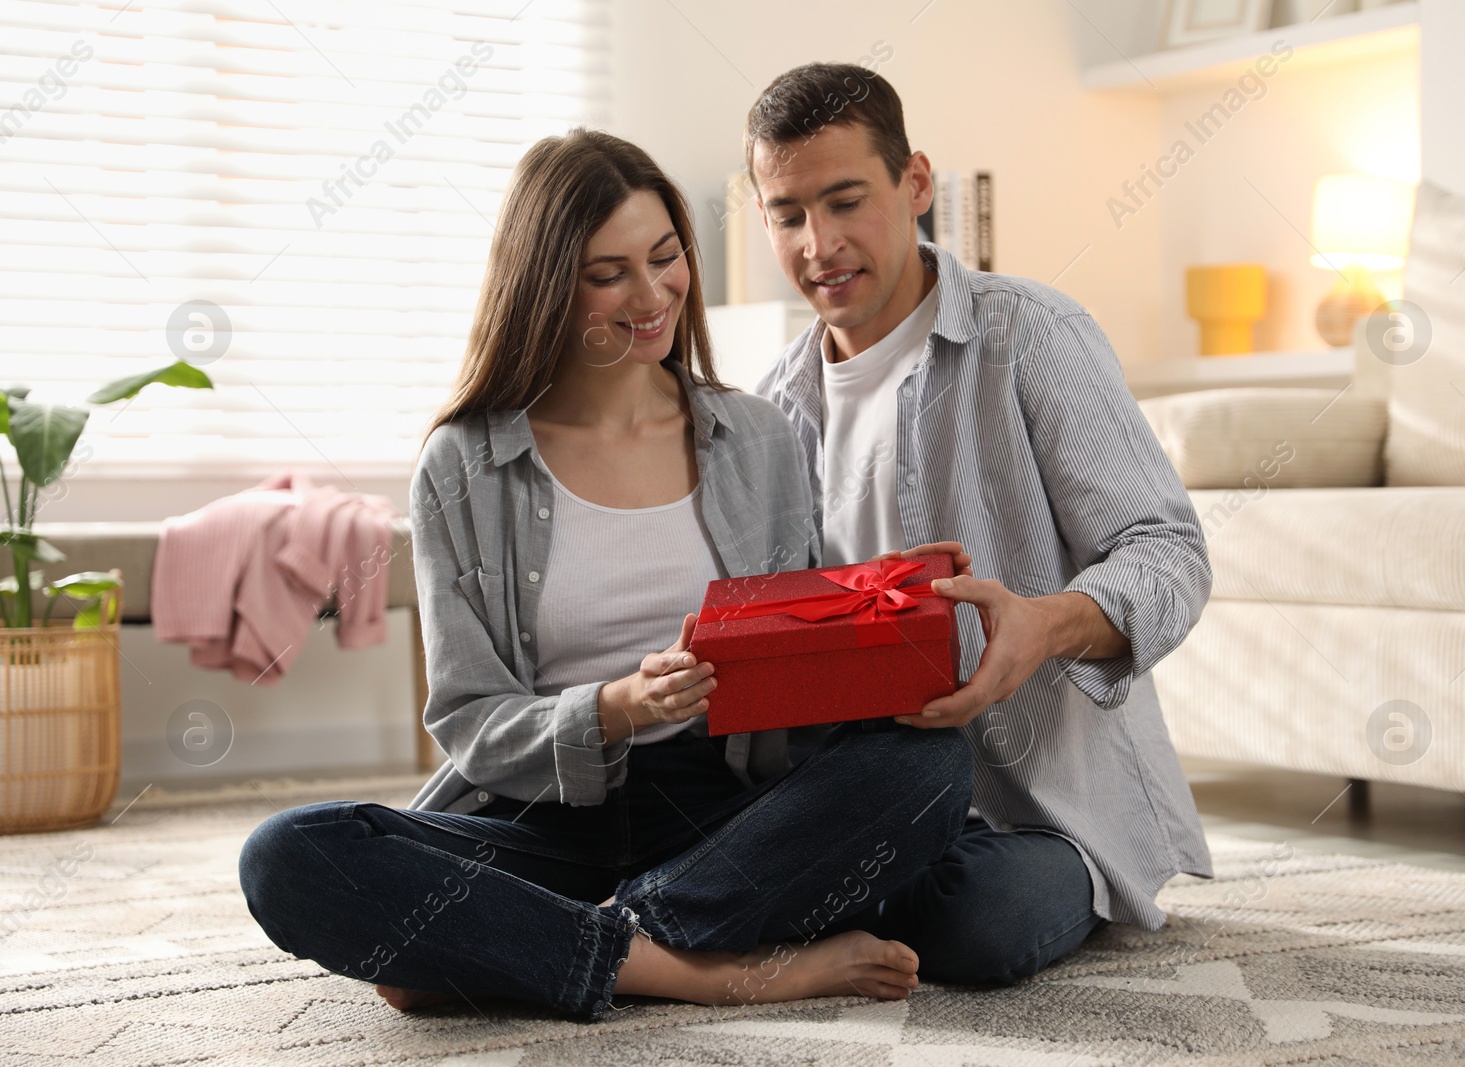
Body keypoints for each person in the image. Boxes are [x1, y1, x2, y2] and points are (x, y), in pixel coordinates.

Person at [237, 129, 974, 1022]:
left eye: (666, 257)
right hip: (544, 812)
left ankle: (536, 947)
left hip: (728, 809)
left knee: (929, 766)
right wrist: (617, 707)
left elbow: (795, 670)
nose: (653, 293)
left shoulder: (758, 438)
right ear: (547, 282)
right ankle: (699, 968)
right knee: (289, 852)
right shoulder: (465, 463)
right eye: (609, 272)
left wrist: (884, 603)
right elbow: (470, 717)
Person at [746, 63, 1215, 984]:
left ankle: (813, 905)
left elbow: (1169, 552)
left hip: (1029, 808)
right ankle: (819, 891)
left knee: (981, 921)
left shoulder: (1030, 335)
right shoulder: (769, 407)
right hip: (861, 789)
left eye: (847, 201)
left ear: (915, 183)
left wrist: (1047, 626)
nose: (821, 244)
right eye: (789, 214)